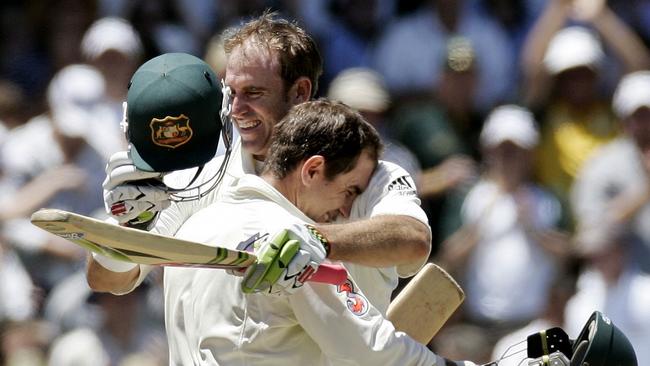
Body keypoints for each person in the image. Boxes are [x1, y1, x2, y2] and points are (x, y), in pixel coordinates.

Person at [90, 12, 431, 315]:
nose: (236, 109)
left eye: (254, 93)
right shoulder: (201, 175)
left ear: (300, 92)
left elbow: (413, 240)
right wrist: (129, 227)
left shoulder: (365, 173)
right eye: (231, 93)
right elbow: (108, 280)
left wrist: (317, 241)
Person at [165, 98, 476, 365]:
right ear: (312, 170)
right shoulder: (295, 245)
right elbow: (370, 350)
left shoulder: (194, 226)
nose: (345, 211)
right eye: (349, 190)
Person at [438, 105, 570, 339]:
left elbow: (567, 253)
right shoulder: (469, 197)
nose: (508, 158)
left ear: (531, 153)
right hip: (478, 323)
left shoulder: (548, 198)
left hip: (534, 325)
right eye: (501, 151)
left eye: (516, 151)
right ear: (488, 151)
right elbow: (449, 255)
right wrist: (483, 220)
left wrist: (534, 228)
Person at [571, 70, 650, 272]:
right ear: (623, 123)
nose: (648, 124)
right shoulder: (601, 166)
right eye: (640, 116)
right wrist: (643, 194)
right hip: (620, 284)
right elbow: (587, 240)